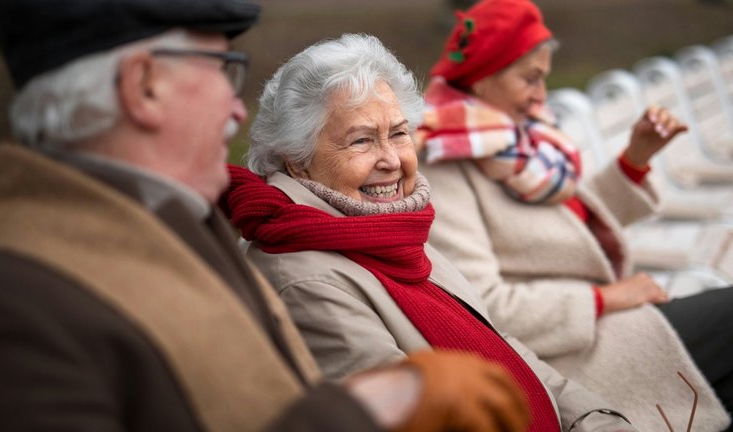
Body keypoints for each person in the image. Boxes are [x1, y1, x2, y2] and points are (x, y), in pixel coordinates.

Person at [0, 1, 539, 431]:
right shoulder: (4, 300)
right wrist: (367, 410)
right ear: (144, 86)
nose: (237, 107)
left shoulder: (179, 219)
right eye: (222, 69)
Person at [221, 32, 645, 432]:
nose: (391, 159)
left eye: (399, 134)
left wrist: (595, 419)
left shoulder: (394, 230)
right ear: (296, 160)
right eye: (361, 141)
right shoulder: (303, 276)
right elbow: (415, 419)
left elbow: (503, 346)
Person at [416, 0, 733, 430]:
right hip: (570, 354)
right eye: (530, 78)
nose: (541, 95)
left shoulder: (514, 140)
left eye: (544, 78)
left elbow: (569, 226)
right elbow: (483, 308)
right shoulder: (445, 163)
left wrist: (635, 160)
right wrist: (606, 299)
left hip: (601, 325)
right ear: (484, 76)